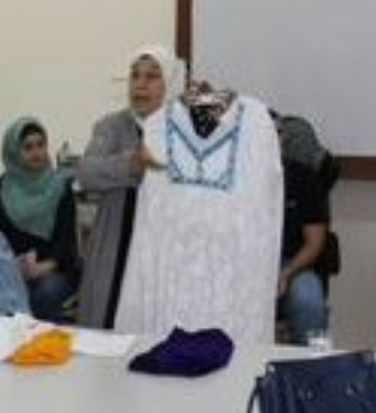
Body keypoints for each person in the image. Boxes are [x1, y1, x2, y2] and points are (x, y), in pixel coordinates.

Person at [113, 75, 284, 345]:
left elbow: (269, 207)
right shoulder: (157, 126)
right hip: (169, 279)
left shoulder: (257, 123)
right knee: (164, 353)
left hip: (233, 278)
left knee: (233, 361)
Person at [75, 46, 173, 329]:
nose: (140, 84)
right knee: (107, 323)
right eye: (135, 75)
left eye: (152, 76)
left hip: (162, 245)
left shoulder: (180, 130)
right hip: (117, 242)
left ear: (170, 84)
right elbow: (86, 172)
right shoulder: (112, 126)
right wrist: (133, 163)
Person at [0, 117, 79, 322]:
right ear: (13, 152)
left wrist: (46, 265)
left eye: (40, 145)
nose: (37, 153)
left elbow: (66, 238)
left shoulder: (60, 187)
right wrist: (13, 268)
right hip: (11, 269)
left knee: (45, 292)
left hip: (54, 268)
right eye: (28, 147)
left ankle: (44, 339)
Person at [276, 157, 330, 344]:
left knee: (309, 297)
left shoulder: (302, 176)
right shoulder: (232, 172)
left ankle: (313, 360)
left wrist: (286, 273)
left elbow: (314, 243)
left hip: (292, 264)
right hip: (239, 262)